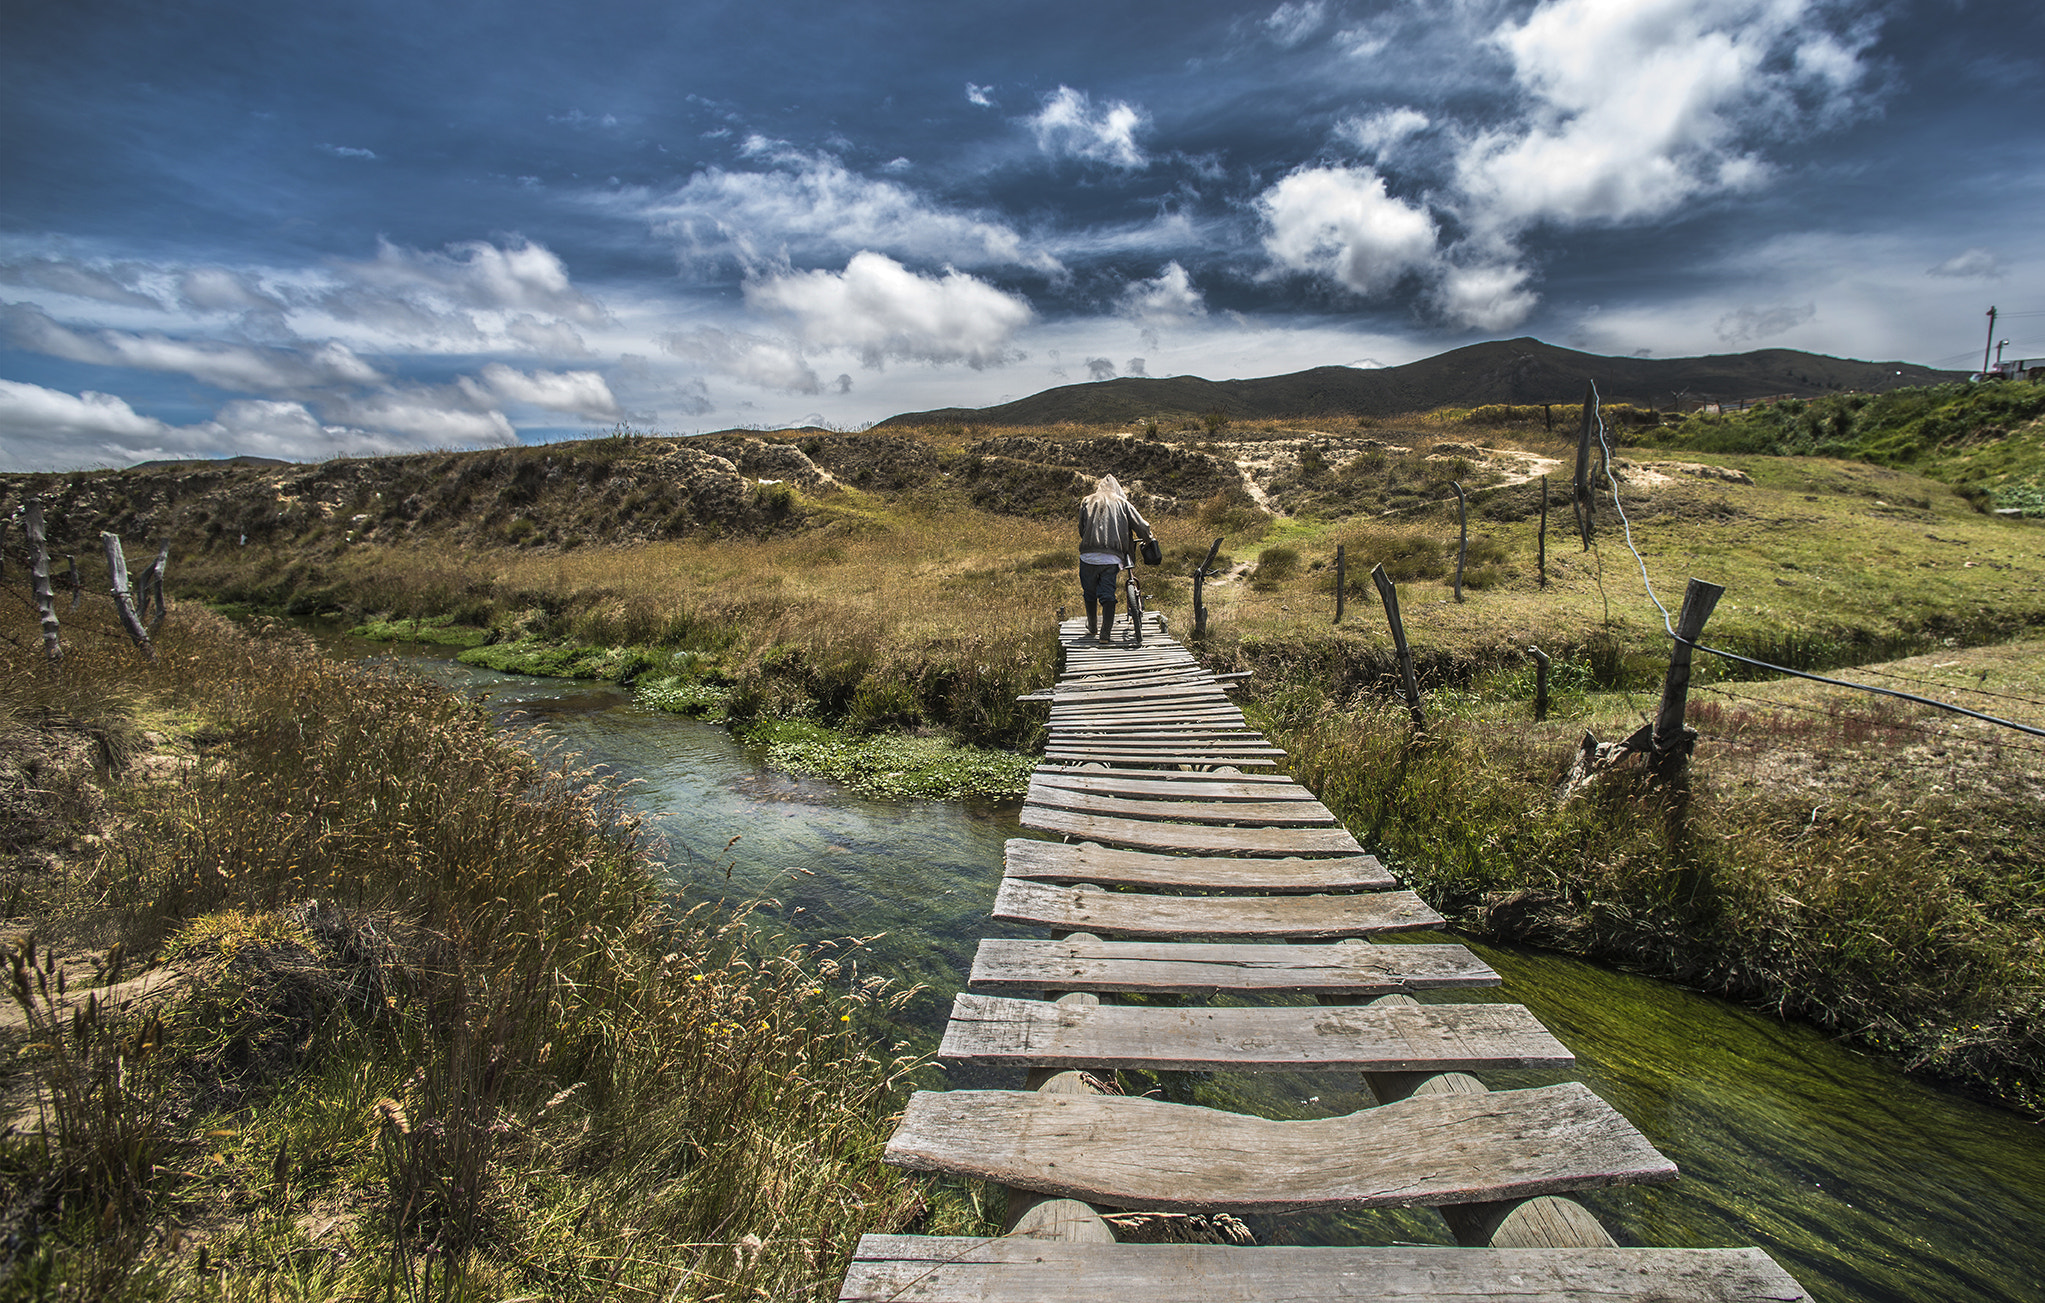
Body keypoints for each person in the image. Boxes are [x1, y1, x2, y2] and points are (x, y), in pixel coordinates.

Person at [1076, 474, 1155, 645]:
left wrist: (1091, 540)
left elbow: (1082, 529)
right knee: (1107, 594)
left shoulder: (1087, 501)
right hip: (1111, 558)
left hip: (1088, 556)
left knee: (1089, 593)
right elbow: (1142, 526)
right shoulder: (1122, 502)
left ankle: (1091, 626)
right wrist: (1148, 540)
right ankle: (1105, 633)